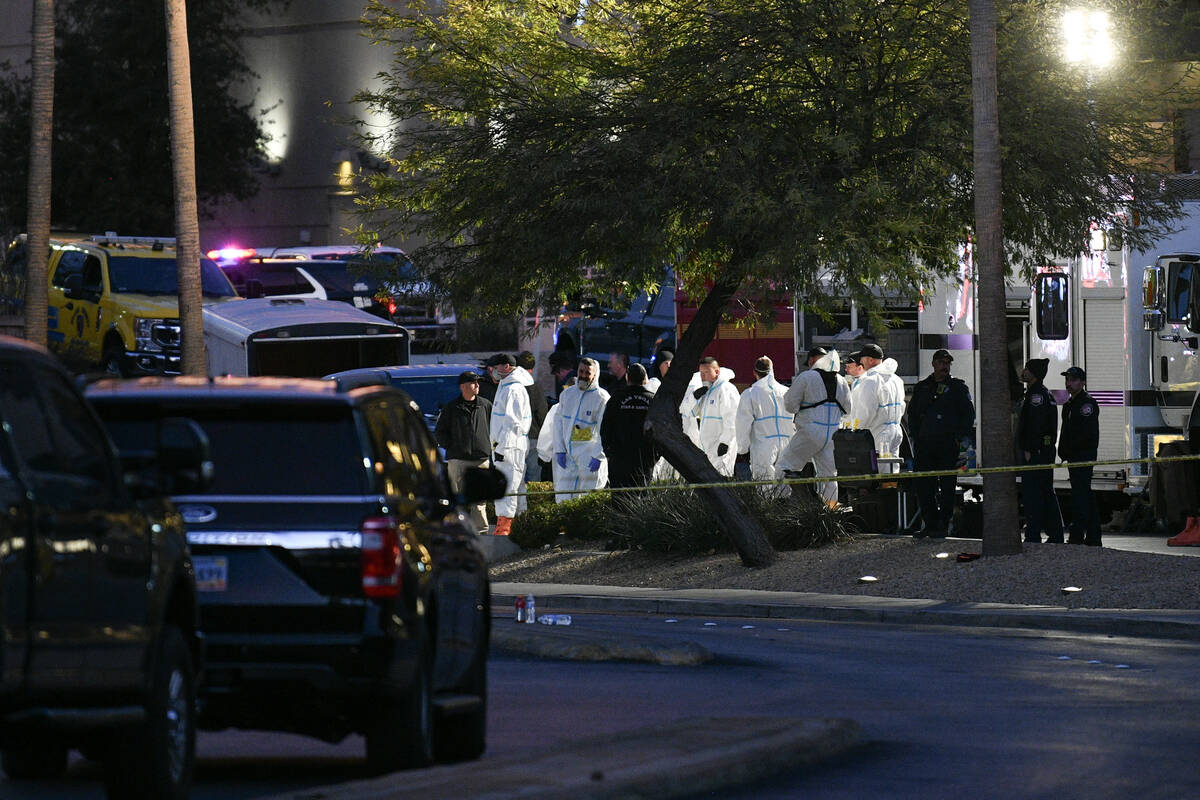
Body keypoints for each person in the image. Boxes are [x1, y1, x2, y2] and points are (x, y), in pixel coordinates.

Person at [905, 349, 975, 536]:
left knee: (947, 488)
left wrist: (959, 439)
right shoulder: (923, 387)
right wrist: (916, 436)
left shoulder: (958, 388)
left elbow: (968, 415)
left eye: (947, 363)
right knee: (924, 487)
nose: (944, 366)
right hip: (925, 445)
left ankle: (943, 525)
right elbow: (912, 415)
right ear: (934, 364)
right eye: (941, 362)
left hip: (947, 445)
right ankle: (929, 524)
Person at [777, 348, 851, 506]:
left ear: (812, 361)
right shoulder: (842, 381)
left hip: (810, 431)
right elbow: (848, 409)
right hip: (833, 434)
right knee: (829, 475)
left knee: (785, 465)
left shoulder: (806, 377)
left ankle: (779, 506)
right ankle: (830, 513)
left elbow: (789, 405)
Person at [434, 371, 493, 533]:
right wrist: (453, 447)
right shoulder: (451, 408)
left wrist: (488, 447)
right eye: (474, 383)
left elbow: (493, 427)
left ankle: (481, 532)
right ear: (463, 386)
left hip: (481, 459)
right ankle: (457, 529)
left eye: (477, 382)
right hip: (458, 460)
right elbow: (440, 432)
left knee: (479, 499)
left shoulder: (486, 405)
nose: (477, 385)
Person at [1017, 357, 1064, 543]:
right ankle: (1055, 533)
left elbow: (1035, 425)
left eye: (1027, 369)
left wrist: (1029, 448)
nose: (1024, 371)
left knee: (1033, 494)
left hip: (1036, 453)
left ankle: (1033, 534)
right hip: (1044, 451)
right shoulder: (1044, 394)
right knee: (1045, 492)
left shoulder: (1036, 396)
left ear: (1033, 373)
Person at [552, 357, 610, 501]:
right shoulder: (567, 394)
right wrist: (560, 449)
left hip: (589, 457)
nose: (583, 375)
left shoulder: (602, 398)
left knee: (588, 499)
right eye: (581, 371)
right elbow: (558, 423)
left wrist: (598, 456)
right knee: (563, 497)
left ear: (595, 375)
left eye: (587, 373)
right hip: (567, 456)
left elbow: (605, 430)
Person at [735, 356, 795, 494]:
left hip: (763, 445)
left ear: (754, 373)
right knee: (785, 486)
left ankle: (767, 514)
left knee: (765, 487)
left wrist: (742, 448)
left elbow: (742, 424)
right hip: (787, 444)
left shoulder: (750, 394)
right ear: (772, 371)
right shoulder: (786, 391)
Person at [488, 354, 533, 536]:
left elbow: (512, 423)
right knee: (517, 485)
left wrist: (502, 449)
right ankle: (521, 523)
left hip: (509, 447)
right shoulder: (506, 386)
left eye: (496, 367)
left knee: (506, 485)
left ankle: (504, 527)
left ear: (506, 367)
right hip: (509, 446)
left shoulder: (513, 389)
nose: (493, 371)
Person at [1058, 366, 1101, 546]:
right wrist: (1063, 451)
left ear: (1082, 382)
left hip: (1083, 456)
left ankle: (1078, 535)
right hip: (1073, 456)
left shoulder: (1087, 404)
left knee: (1081, 496)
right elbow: (1066, 431)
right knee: (1084, 495)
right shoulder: (1069, 405)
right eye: (1067, 380)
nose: (1069, 383)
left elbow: (1086, 433)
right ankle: (1092, 536)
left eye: (1073, 380)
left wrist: (1072, 450)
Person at [600, 363, 660, 488]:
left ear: (627, 377)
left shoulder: (616, 399)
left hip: (619, 461)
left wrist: (610, 454)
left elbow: (605, 428)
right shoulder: (653, 401)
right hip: (644, 461)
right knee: (640, 502)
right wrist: (654, 457)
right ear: (645, 379)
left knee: (619, 501)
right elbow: (661, 431)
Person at [680, 356, 740, 476]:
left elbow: (732, 419)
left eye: (706, 372)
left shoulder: (726, 389)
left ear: (716, 371)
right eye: (701, 373)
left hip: (721, 447)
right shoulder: (707, 392)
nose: (703, 376)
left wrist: (725, 442)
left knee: (722, 480)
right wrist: (694, 397)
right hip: (708, 449)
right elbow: (686, 411)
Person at [851, 343, 905, 459]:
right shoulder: (897, 380)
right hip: (895, 432)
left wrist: (854, 431)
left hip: (878, 434)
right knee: (892, 470)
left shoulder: (870, 380)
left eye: (862, 358)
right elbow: (902, 407)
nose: (860, 361)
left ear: (870, 360)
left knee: (876, 471)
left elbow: (866, 412)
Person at [517, 350, 550, 491]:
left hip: (516, 439)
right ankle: (531, 510)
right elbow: (542, 414)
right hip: (533, 438)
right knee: (533, 481)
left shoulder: (510, 387)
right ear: (532, 368)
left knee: (517, 480)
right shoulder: (535, 388)